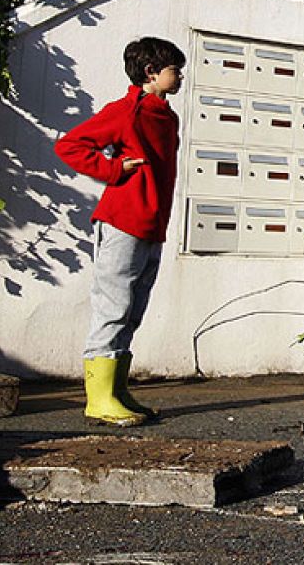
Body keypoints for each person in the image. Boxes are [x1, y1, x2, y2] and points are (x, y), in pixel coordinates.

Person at [54, 37, 185, 426]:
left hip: (152, 224)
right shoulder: (126, 112)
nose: (180, 76)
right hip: (122, 222)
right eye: (174, 70)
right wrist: (114, 169)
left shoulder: (167, 117)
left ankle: (117, 390)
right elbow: (70, 146)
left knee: (133, 309)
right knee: (113, 307)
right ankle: (98, 400)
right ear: (150, 72)